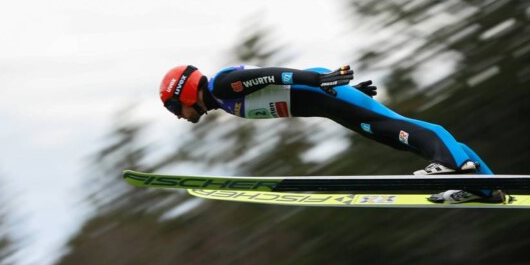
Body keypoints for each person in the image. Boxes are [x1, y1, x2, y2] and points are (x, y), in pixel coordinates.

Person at [159, 63, 506, 204]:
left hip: (331, 98)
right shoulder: (223, 101)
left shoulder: (222, 86)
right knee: (397, 136)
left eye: (176, 108)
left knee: (406, 131)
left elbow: (275, 75)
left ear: (185, 93)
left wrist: (324, 83)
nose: (179, 116)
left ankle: (453, 167)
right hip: (333, 103)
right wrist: (342, 86)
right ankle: (485, 186)